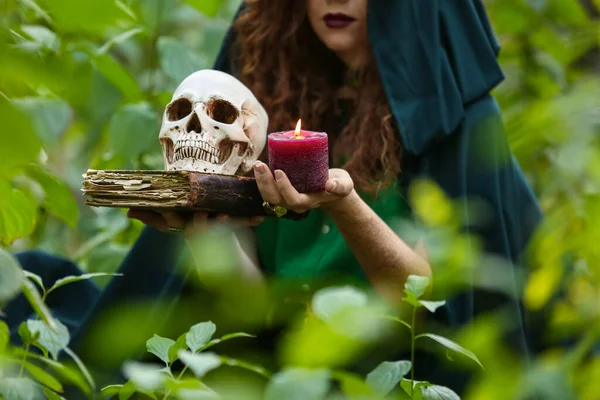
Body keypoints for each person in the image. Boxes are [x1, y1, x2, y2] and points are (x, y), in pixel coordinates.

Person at [6, 0, 543, 395]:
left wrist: (344, 202)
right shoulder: (271, 95)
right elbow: (250, 309)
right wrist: (202, 232)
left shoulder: (454, 122)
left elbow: (429, 305)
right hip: (277, 370)